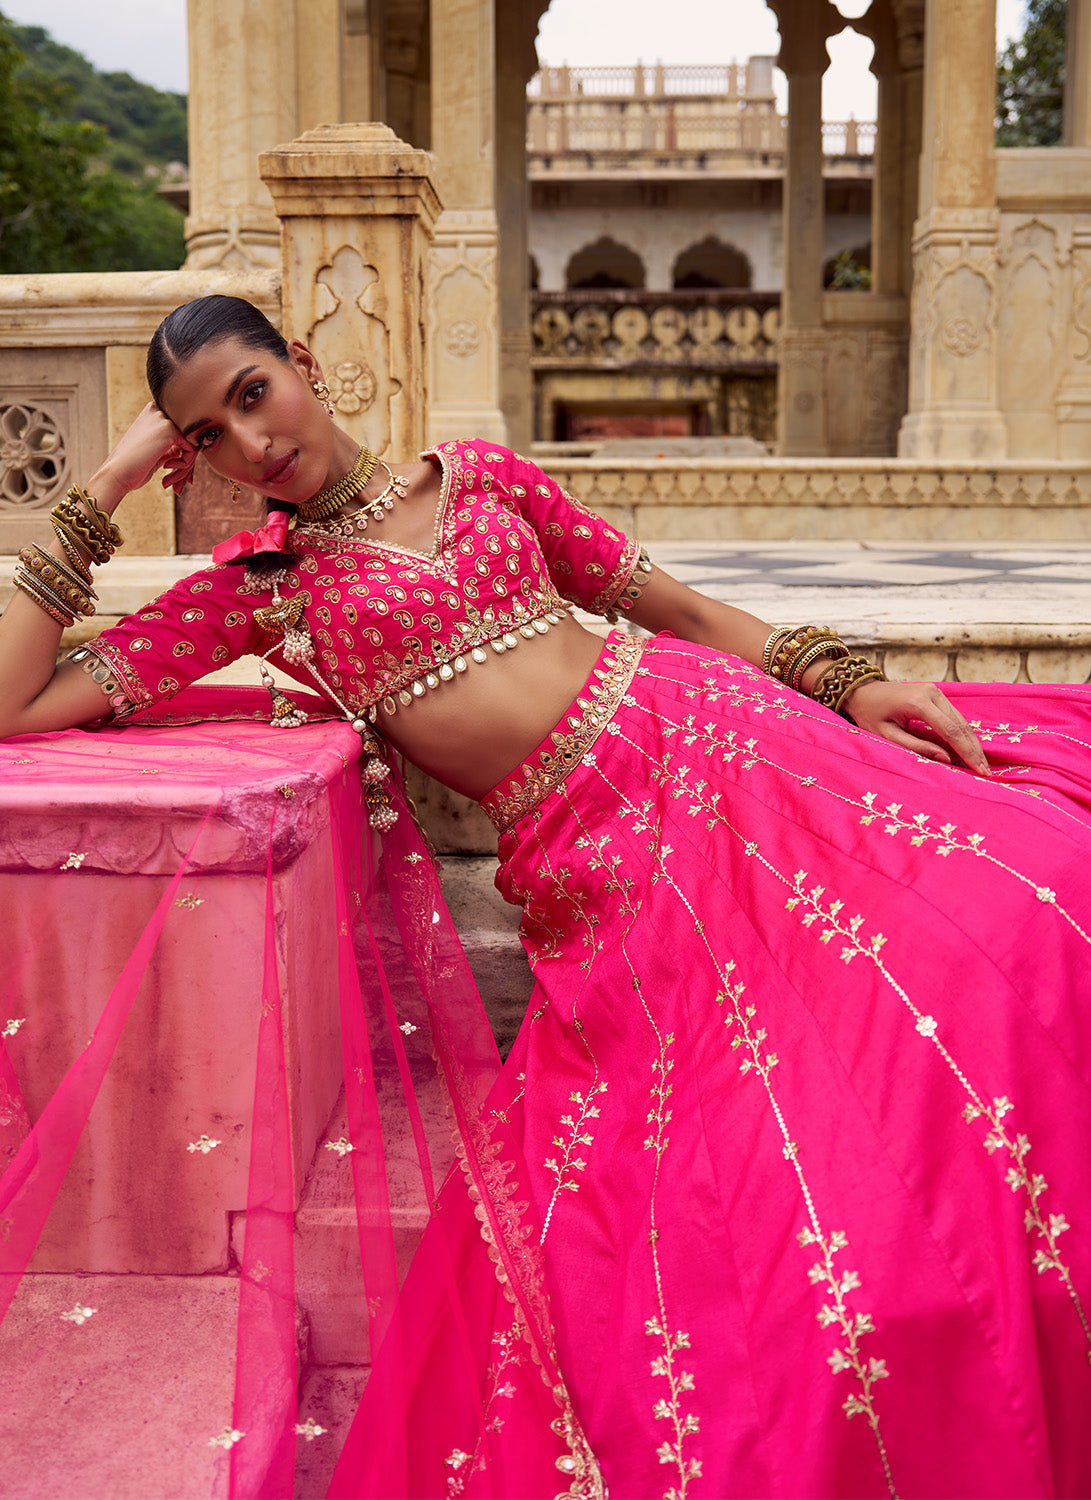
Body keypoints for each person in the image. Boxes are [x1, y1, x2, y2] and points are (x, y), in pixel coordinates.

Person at [1, 293, 1090, 1499]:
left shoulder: (478, 475)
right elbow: (14, 705)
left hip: (736, 750)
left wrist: (841, 681)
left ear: (303, 365)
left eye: (253, 393)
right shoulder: (264, 588)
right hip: (601, 859)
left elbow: (669, 609)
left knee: (1032, 896)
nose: (250, 443)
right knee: (774, 1177)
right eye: (205, 435)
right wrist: (100, 486)